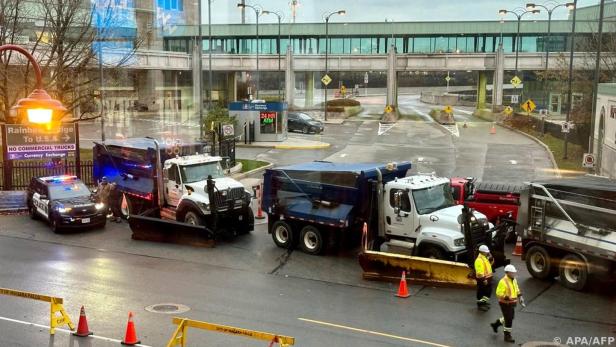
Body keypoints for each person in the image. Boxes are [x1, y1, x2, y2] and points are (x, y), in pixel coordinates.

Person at [491, 264, 524, 343]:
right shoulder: (503, 281)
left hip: (512, 303)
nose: (514, 274)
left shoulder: (514, 279)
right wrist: (506, 297)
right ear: (508, 273)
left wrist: (520, 296)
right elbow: (498, 293)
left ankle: (496, 324)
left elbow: (516, 288)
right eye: (513, 273)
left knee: (510, 317)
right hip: (505, 303)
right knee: (509, 319)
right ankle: (507, 335)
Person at [474, 244, 494, 311]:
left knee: (488, 291)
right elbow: (479, 272)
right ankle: (480, 305)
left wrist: (491, 259)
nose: (488, 252)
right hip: (483, 280)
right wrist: (483, 279)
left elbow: (489, 265)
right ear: (482, 252)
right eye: (486, 251)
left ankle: (484, 302)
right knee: (481, 292)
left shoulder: (485, 258)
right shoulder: (479, 260)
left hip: (488, 279)